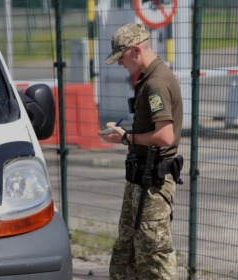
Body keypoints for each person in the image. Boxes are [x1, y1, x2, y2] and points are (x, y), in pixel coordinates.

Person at [99, 23, 183, 280]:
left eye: (121, 58)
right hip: (141, 179)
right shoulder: (148, 78)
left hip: (153, 184)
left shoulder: (156, 82)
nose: (120, 64)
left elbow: (165, 136)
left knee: (154, 260)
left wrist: (125, 137)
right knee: (126, 256)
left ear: (135, 50)